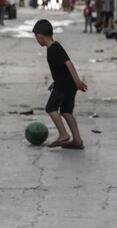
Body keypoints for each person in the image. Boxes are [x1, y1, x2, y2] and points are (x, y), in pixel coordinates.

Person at [32, 19, 88, 149]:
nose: (37, 41)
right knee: (66, 111)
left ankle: (63, 134)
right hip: (67, 84)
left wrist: (77, 81)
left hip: (64, 86)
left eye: (36, 38)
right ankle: (77, 141)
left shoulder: (54, 49)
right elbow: (60, 69)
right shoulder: (54, 47)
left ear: (40, 36)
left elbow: (68, 63)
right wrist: (55, 81)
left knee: (51, 108)